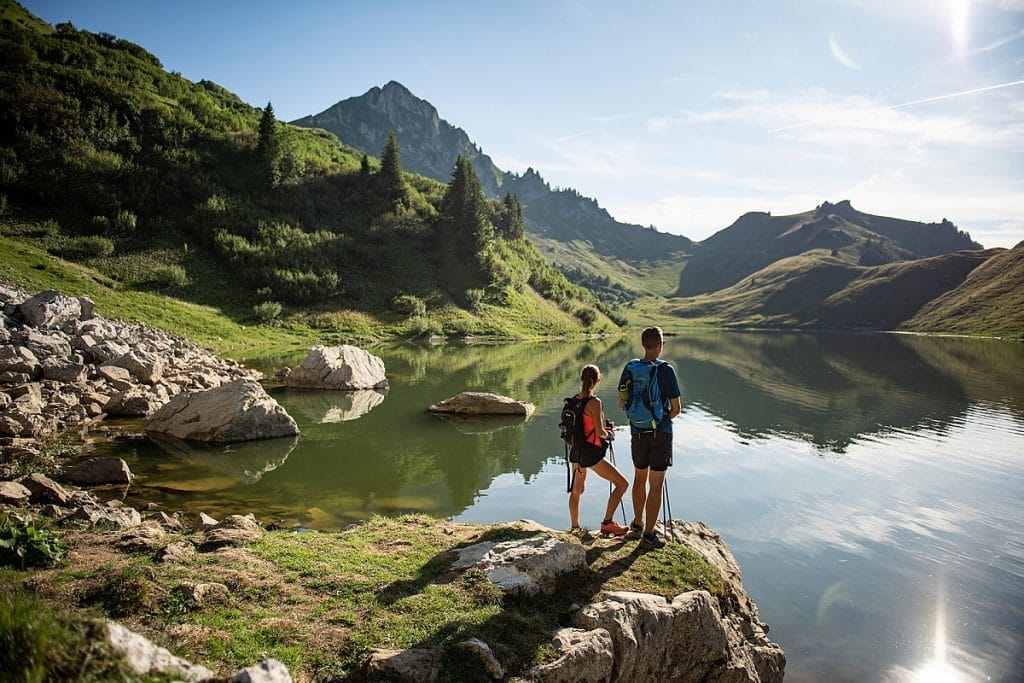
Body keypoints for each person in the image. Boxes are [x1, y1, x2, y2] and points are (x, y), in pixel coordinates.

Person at [617, 326, 681, 549]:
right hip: (660, 432)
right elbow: (676, 408)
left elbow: (622, 398)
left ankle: (636, 525)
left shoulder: (630, 367)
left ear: (644, 344)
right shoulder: (666, 370)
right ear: (660, 344)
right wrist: (663, 420)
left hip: (637, 431)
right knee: (656, 485)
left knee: (639, 478)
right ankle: (649, 534)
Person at [568, 364, 630, 536]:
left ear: (581, 379)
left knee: (577, 490)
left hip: (575, 451)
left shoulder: (575, 400)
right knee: (622, 484)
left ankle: (574, 528)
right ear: (598, 381)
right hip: (590, 454)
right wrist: (609, 433)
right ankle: (607, 523)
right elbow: (600, 432)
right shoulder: (594, 402)